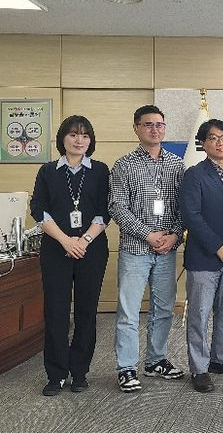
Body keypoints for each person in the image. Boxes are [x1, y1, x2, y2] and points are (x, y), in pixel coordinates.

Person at [30, 115, 110, 396]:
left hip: (92, 249)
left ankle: (79, 372)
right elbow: (39, 210)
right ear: (62, 138)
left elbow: (104, 211)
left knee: (87, 311)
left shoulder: (100, 170)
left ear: (91, 140)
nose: (79, 140)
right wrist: (66, 240)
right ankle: (56, 374)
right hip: (56, 249)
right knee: (56, 311)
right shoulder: (48, 171)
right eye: (73, 134)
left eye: (85, 135)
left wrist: (84, 240)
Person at [109, 104, 185, 392]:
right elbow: (117, 206)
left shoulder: (177, 165)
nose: (155, 129)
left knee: (163, 309)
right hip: (135, 250)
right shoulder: (124, 165)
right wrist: (148, 235)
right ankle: (126, 368)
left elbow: (185, 207)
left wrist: (174, 236)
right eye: (148, 124)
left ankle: (155, 360)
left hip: (167, 250)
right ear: (136, 128)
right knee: (129, 312)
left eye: (159, 124)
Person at [180, 119, 223, 393]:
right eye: (213, 138)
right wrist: (218, 247)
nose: (221, 142)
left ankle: (220, 359)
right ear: (203, 144)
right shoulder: (194, 175)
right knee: (199, 314)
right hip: (204, 258)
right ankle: (199, 368)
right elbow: (192, 216)